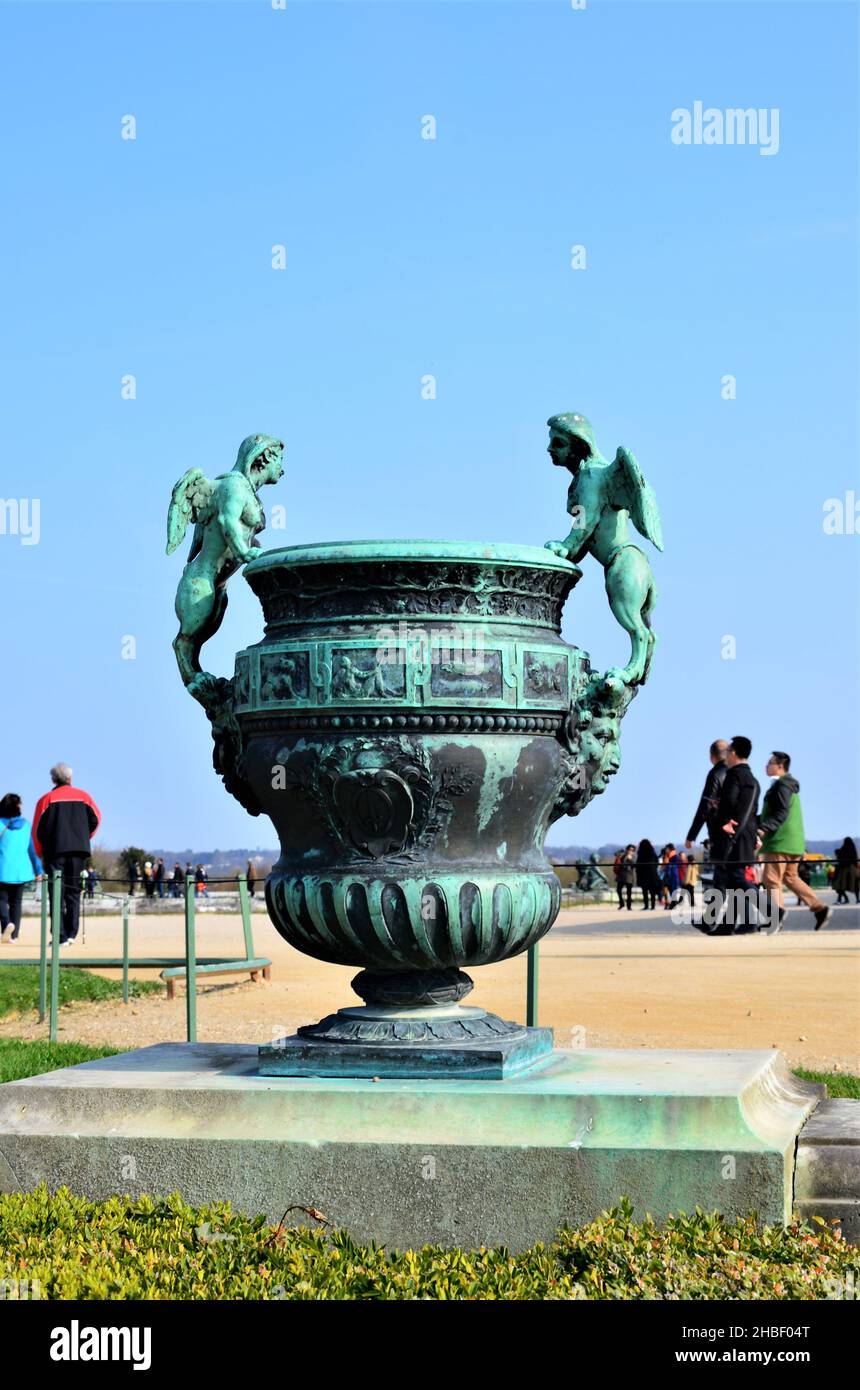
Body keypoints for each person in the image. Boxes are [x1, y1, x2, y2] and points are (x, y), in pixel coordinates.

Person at [756, 752, 832, 935]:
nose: (766, 765)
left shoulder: (782, 785)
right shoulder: (789, 785)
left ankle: (774, 919)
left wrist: (763, 828)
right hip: (794, 841)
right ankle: (820, 909)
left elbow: (781, 813)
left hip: (780, 841)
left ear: (780, 765)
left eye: (770, 762)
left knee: (771, 880)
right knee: (791, 877)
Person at [32, 764, 101, 945]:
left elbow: (37, 831)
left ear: (53, 779)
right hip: (79, 852)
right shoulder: (84, 797)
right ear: (70, 778)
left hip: (55, 852)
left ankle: (60, 936)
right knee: (74, 892)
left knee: (56, 894)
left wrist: (40, 853)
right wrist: (84, 838)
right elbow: (96, 819)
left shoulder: (46, 799)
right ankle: (71, 933)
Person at [710, 736, 760, 933]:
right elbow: (750, 809)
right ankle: (735, 924)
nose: (726, 755)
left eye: (729, 751)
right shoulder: (752, 778)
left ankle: (772, 910)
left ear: (735, 754)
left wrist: (721, 816)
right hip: (745, 833)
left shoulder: (735, 775)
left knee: (735, 877)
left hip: (734, 834)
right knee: (733, 879)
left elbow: (731, 803)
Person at [0, 793, 42, 942]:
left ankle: (6, 925)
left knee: (1, 900)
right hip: (21, 871)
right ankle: (14, 935)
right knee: (16, 903)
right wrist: (39, 870)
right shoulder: (26, 825)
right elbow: (32, 850)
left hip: (2, 870)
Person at [685, 739, 729, 849]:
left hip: (719, 831)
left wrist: (692, 835)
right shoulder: (739, 773)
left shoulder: (715, 775)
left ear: (711, 757)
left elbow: (706, 805)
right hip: (741, 833)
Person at [636, 839, 660, 910]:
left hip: (643, 874)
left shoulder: (641, 852)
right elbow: (657, 861)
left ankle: (646, 905)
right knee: (652, 890)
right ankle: (653, 906)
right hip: (652, 873)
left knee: (645, 890)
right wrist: (654, 868)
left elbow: (638, 863)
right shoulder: (652, 852)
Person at [834, 837, 859, 905]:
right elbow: (855, 858)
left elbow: (839, 857)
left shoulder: (843, 849)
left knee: (841, 885)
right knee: (855, 884)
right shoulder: (853, 849)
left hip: (844, 869)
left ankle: (839, 900)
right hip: (852, 868)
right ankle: (857, 900)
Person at [658, 844, 680, 909]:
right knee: (668, 890)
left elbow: (673, 867)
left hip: (673, 876)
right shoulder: (667, 856)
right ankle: (670, 904)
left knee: (673, 890)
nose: (666, 850)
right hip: (667, 876)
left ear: (670, 849)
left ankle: (673, 904)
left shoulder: (674, 857)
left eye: (667, 848)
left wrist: (666, 865)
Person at [615, 844, 636, 910]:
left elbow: (635, 865)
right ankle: (621, 903)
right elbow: (616, 855)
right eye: (629, 850)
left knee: (629, 892)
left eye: (632, 850)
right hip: (621, 875)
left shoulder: (633, 857)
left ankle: (629, 906)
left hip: (629, 876)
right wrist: (620, 853)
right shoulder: (623, 856)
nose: (630, 851)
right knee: (618, 890)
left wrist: (630, 860)